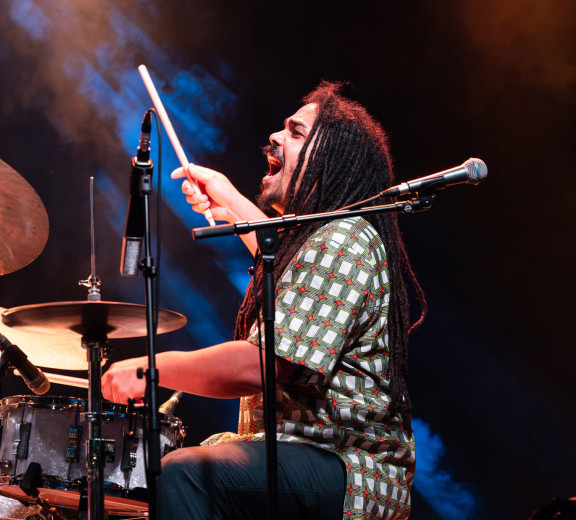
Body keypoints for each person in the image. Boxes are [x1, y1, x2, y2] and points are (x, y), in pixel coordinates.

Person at [101, 81, 425, 520]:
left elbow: (262, 365)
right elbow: (284, 256)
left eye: (296, 133)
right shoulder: (320, 241)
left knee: (185, 474)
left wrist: (151, 370)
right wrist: (229, 199)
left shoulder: (345, 240)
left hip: (349, 469)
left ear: (329, 159)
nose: (274, 137)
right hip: (305, 456)